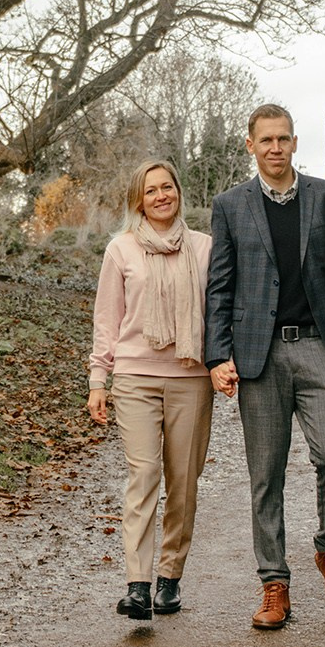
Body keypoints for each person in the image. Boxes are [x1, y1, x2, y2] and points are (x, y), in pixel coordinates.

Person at [205, 105, 325, 630]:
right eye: (266, 141)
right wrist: (218, 355)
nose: (275, 148)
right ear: (250, 146)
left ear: (295, 143)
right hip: (259, 355)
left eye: (283, 139)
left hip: (320, 348)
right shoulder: (230, 206)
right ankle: (274, 582)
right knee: (266, 475)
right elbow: (220, 288)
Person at [88, 160, 214, 623]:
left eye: (167, 187)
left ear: (178, 192)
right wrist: (98, 379)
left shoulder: (204, 248)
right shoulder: (120, 250)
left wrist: (223, 364)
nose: (161, 196)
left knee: (183, 483)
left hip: (191, 378)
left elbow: (219, 312)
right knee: (144, 475)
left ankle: (169, 579)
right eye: (150, 190)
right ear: (137, 200)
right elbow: (107, 320)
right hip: (136, 377)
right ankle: (137, 586)